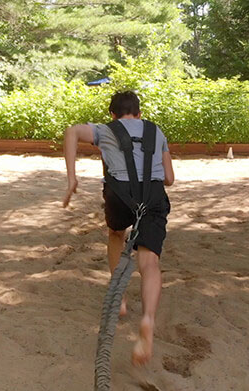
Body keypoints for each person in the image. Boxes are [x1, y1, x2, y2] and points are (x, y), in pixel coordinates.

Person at [62, 90, 174, 366]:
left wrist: (72, 179)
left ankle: (120, 296)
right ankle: (147, 319)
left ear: (112, 114)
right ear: (139, 113)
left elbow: (71, 133)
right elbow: (169, 178)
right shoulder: (156, 132)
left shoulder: (105, 130)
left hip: (119, 195)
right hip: (153, 195)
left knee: (115, 234)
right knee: (149, 262)